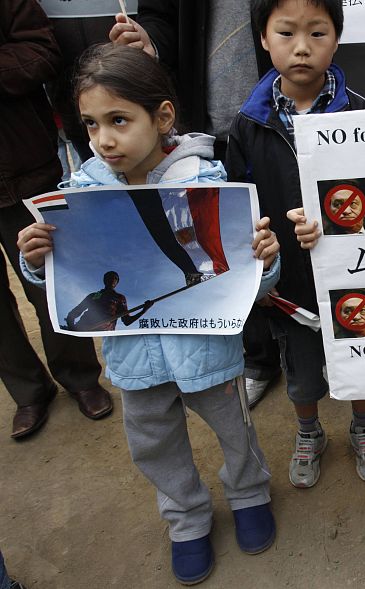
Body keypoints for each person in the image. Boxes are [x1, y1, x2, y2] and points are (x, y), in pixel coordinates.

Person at [17, 45, 280, 585]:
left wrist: (264, 261)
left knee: (235, 430)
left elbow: (246, 285)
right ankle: (185, 520)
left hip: (207, 351)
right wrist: (39, 260)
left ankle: (249, 494)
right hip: (134, 359)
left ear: (161, 117)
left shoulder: (209, 186)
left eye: (119, 120)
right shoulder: (79, 195)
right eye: (90, 124)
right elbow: (67, 287)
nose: (104, 139)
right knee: (154, 442)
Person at [227, 0, 365, 489]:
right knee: (300, 371)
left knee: (362, 358)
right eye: (286, 33)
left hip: (351, 273)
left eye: (318, 33)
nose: (302, 48)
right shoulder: (247, 124)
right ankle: (308, 430)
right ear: (263, 38)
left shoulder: (360, 113)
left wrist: (340, 225)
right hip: (288, 285)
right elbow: (237, 205)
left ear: (337, 37)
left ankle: (363, 425)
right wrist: (266, 234)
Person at [110, 0, 282, 408]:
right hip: (204, 125)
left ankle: (307, 350)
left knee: (282, 231)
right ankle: (258, 357)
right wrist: (149, 37)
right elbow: (160, 13)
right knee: (223, 244)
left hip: (281, 120)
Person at [1, 0, 112, 440]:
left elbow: (40, 51)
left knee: (48, 277)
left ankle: (81, 377)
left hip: (22, 163)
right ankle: (27, 390)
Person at [65, 271, 154, 331]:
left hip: (103, 335)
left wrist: (144, 310)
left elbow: (127, 321)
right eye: (109, 277)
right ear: (104, 280)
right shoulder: (93, 296)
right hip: (83, 329)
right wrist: (72, 328)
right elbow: (73, 313)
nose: (112, 279)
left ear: (117, 283)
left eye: (115, 278)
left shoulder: (119, 298)